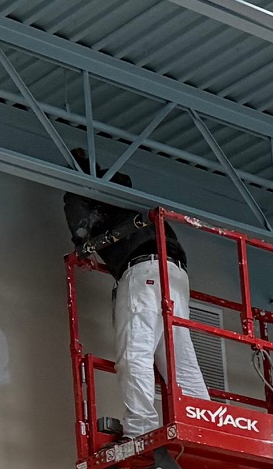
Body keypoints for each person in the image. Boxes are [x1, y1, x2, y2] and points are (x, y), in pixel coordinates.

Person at [65, 154, 208, 438]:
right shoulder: (131, 198)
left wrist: (83, 247)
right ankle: (203, 425)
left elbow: (77, 213)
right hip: (176, 273)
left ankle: (141, 427)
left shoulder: (90, 191)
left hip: (144, 270)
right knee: (178, 357)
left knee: (135, 353)